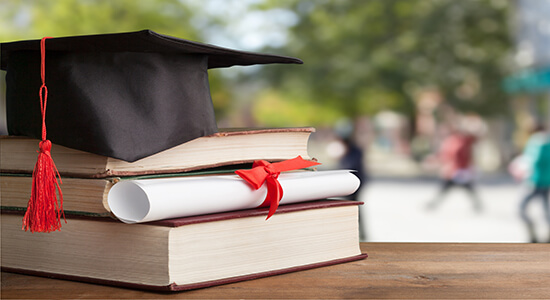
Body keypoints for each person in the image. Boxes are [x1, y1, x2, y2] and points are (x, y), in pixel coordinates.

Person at [425, 130, 483, 212]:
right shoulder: (454, 142)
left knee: (467, 188)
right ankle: (477, 204)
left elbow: (462, 156)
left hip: (459, 170)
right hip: (455, 170)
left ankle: (477, 204)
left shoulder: (461, 142)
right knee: (447, 188)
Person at [518, 124, 550, 243]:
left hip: (535, 181)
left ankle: (532, 235)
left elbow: (532, 162)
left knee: (521, 209)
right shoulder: (547, 142)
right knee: (545, 210)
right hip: (546, 182)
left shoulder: (536, 142)